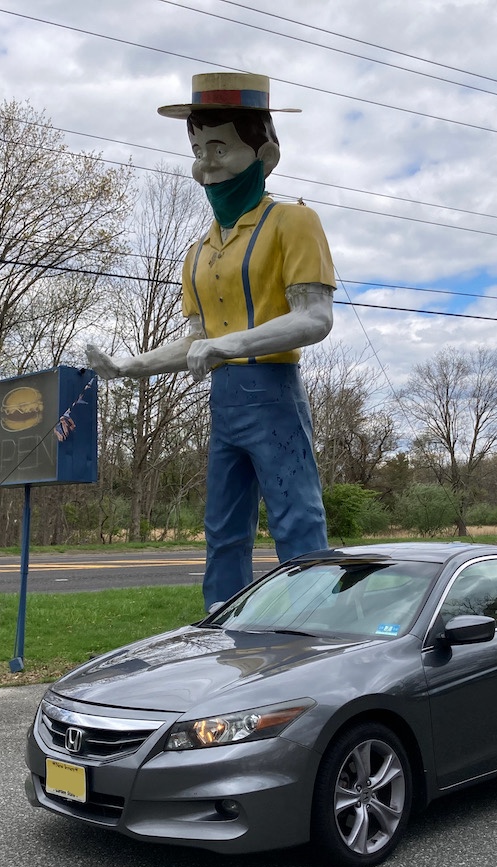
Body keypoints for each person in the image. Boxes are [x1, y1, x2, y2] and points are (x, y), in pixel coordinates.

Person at [87, 72, 336, 607]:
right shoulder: (197, 251)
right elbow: (197, 340)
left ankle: (316, 633)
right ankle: (222, 628)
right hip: (224, 403)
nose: (206, 163)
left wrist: (230, 346)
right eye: (198, 148)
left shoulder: (293, 221)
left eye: (220, 147)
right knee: (223, 529)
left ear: (265, 152)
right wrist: (132, 365)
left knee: (297, 521)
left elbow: (314, 317)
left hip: (273, 391)